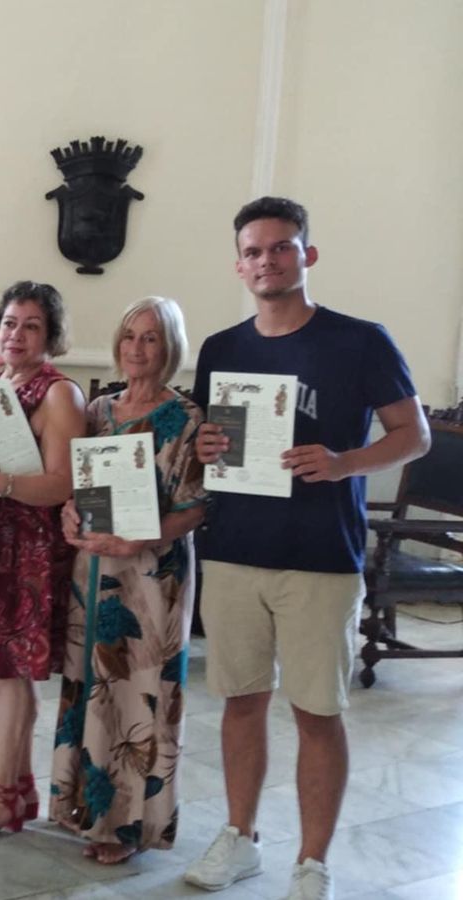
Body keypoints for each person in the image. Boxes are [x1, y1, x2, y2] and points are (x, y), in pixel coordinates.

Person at [182, 197, 429, 900]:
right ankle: (240, 837)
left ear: (307, 255)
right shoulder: (221, 349)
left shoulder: (360, 341)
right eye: (254, 251)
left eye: (281, 247)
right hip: (234, 550)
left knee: (317, 710)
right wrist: (205, 447)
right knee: (239, 701)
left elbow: (414, 436)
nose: (268, 261)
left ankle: (312, 863)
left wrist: (346, 462)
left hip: (321, 555)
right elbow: (214, 449)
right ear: (239, 265)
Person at [49, 297, 206, 864]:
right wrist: (69, 512)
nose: (137, 348)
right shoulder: (97, 410)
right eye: (130, 337)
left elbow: (196, 507)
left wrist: (141, 538)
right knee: (90, 686)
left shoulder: (187, 417)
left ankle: (127, 826)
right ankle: (85, 810)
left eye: (151, 339)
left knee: (139, 695)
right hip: (92, 567)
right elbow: (76, 486)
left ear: (168, 350)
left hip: (149, 573)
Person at [0, 280, 86, 839]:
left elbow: (64, 484)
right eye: (9, 323)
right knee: (1, 671)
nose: (16, 334)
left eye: (31, 325)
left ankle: (1, 795)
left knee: (11, 674)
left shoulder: (59, 394)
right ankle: (16, 785)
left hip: (30, 548)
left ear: (50, 335)